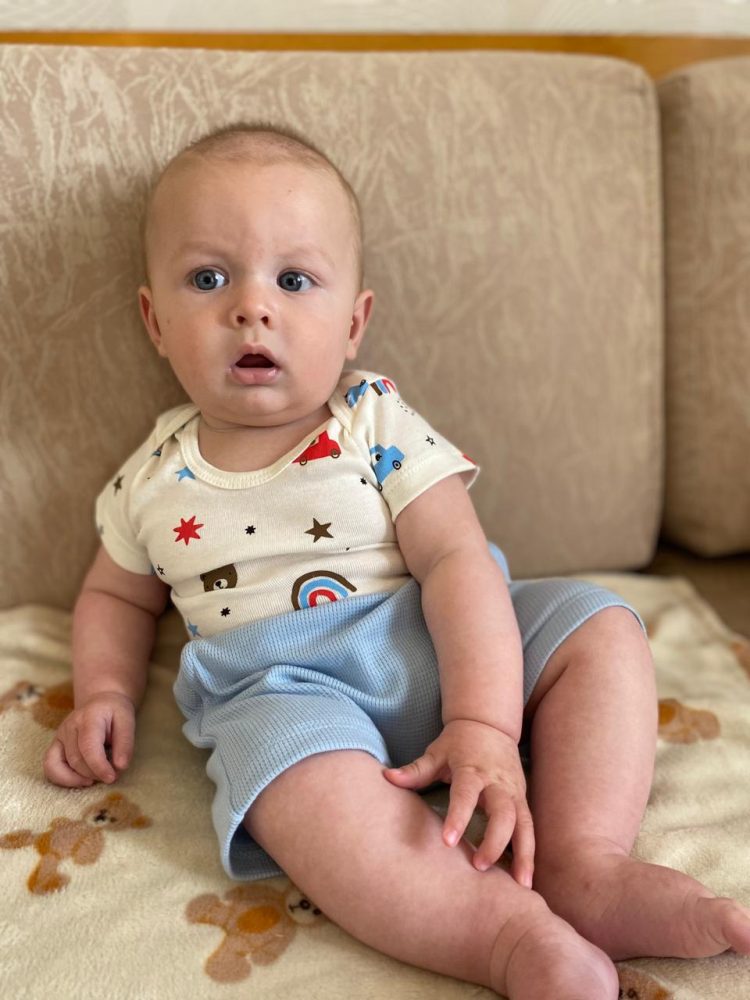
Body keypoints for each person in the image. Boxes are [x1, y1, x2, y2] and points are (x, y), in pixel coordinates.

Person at [43, 122, 750, 1000]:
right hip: (288, 691)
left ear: (353, 323)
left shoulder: (372, 418)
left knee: (598, 626)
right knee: (287, 779)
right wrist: (104, 692)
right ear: (155, 319)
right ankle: (502, 936)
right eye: (209, 279)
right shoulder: (148, 477)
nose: (251, 308)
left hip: (441, 637)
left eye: (293, 280)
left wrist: (486, 724)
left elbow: (454, 557)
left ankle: (582, 863)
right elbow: (115, 598)